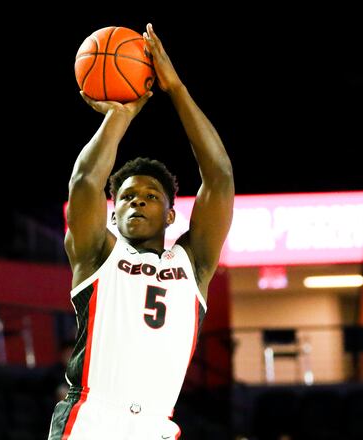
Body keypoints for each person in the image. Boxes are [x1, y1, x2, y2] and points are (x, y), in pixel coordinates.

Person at [48, 23, 234, 440]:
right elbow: (84, 183)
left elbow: (220, 177)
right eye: (127, 197)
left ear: (170, 215)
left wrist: (176, 89)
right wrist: (119, 116)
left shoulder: (193, 263)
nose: (137, 202)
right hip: (91, 417)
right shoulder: (98, 253)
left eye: (151, 196)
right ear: (113, 214)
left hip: (155, 425)